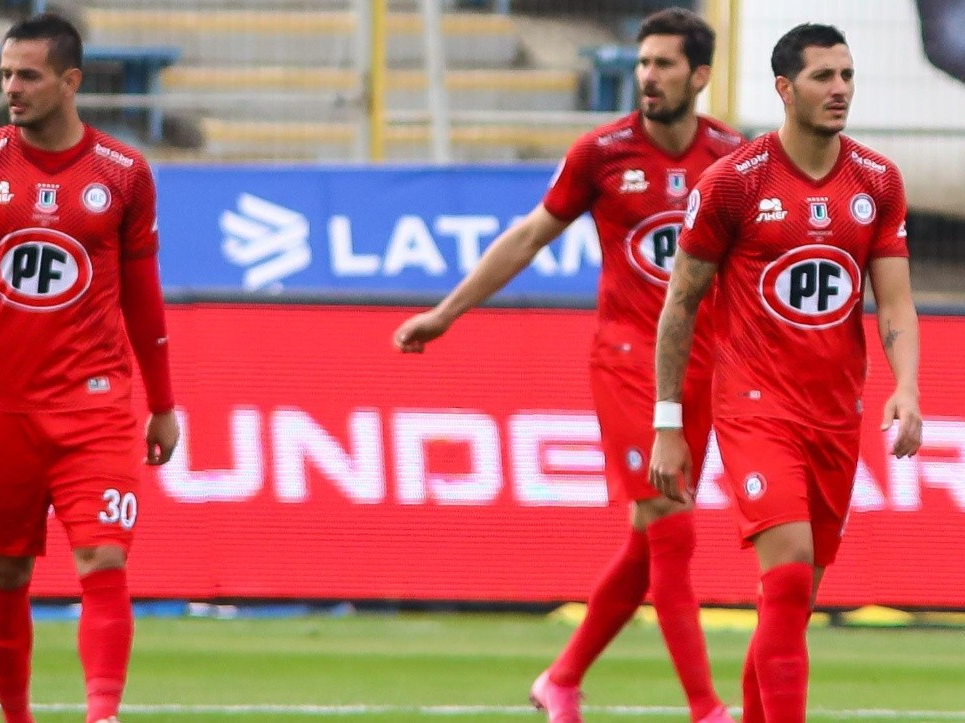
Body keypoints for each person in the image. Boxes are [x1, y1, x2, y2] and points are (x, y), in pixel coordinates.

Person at [393, 8, 741, 723]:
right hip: (624, 361)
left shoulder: (733, 161)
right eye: (643, 63)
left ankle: (562, 676)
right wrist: (447, 312)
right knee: (671, 523)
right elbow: (527, 237)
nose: (648, 77)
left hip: (699, 367)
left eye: (665, 64)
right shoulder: (601, 153)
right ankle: (706, 709)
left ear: (700, 75)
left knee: (650, 541)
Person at [651, 23, 924, 723]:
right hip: (753, 405)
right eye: (822, 78)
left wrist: (907, 386)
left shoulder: (877, 181)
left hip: (834, 412)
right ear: (784, 88)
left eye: (846, 76)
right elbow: (680, 304)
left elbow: (893, 300)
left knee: (792, 598)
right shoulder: (733, 185)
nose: (839, 90)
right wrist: (668, 422)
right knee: (791, 562)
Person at [0, 14, 179, 723]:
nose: (11, 89)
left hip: (95, 403)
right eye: (4, 75)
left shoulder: (123, 175)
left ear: (70, 81)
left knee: (102, 558)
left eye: (27, 75)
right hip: (2, 404)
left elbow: (145, 302)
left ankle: (102, 714)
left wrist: (163, 403)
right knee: (6, 571)